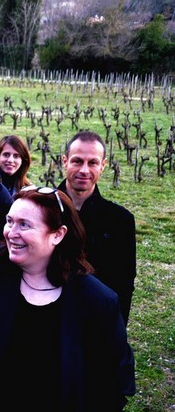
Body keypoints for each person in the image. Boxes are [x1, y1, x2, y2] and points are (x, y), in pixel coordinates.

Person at [0, 186, 135, 412]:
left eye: (24, 224)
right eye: (10, 221)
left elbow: (114, 381)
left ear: (58, 234)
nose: (11, 232)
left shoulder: (97, 301)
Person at [58, 131, 136, 324]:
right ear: (65, 161)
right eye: (77, 161)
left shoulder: (120, 220)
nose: (84, 170)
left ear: (103, 165)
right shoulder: (41, 210)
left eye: (92, 162)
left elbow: (123, 285)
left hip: (94, 320)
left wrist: (116, 330)